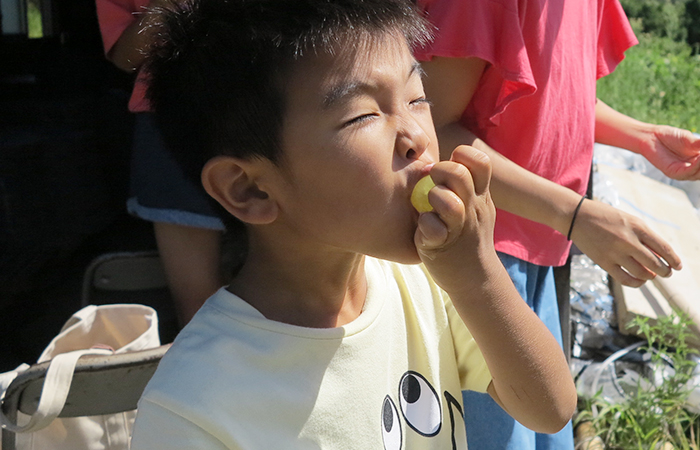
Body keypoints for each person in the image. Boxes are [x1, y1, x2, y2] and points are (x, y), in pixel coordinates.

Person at [127, 0, 578, 448]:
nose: (417, 138)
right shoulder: (190, 409)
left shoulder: (427, 281)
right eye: (362, 115)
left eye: (418, 98)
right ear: (250, 190)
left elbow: (549, 407)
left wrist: (478, 274)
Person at [413, 0, 700, 448]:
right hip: (473, 256)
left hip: (542, 247)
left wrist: (643, 139)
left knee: (548, 423)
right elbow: (430, 130)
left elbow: (557, 91)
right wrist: (576, 215)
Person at [95, 0, 225, 326]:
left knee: (302, 285)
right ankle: (207, 375)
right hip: (170, 124)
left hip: (275, 109)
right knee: (198, 305)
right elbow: (125, 58)